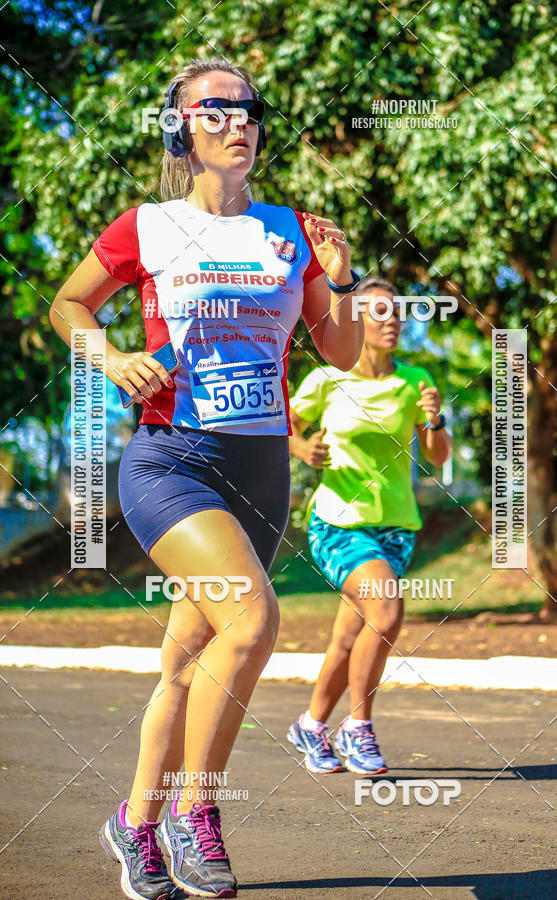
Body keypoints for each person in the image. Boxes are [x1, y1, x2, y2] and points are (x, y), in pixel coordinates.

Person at [49, 56, 363, 900]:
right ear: (180, 128)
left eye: (249, 109)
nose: (239, 122)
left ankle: (134, 825)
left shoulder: (292, 230)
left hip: (261, 469)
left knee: (189, 666)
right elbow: (67, 305)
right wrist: (110, 357)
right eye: (216, 109)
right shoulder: (145, 226)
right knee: (254, 623)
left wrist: (341, 281)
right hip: (173, 460)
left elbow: (338, 351)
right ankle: (200, 817)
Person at [286, 277, 453, 776]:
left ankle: (311, 726)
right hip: (338, 522)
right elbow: (281, 424)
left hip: (396, 528)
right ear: (355, 321)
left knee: (348, 638)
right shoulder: (326, 381)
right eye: (379, 313)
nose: (392, 321)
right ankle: (357, 728)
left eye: (396, 313)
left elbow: (439, 457)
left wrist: (436, 422)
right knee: (385, 613)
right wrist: (300, 448)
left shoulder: (415, 380)